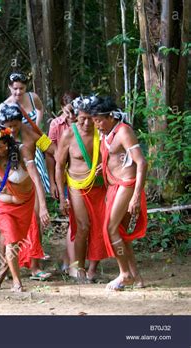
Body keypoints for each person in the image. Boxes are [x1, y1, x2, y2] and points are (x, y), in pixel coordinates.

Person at [89, 96, 148, 290]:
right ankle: (135, 276)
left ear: (111, 116)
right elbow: (117, 158)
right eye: (94, 120)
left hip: (127, 185)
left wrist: (136, 196)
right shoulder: (108, 133)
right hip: (115, 185)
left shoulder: (123, 131)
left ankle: (124, 274)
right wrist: (103, 167)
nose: (97, 125)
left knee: (111, 228)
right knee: (121, 233)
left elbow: (141, 162)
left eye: (99, 120)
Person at [0, 125, 47, 292]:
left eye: (1, 145)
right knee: (11, 241)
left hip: (24, 204)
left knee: (16, 242)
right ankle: (17, 283)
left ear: (8, 142)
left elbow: (36, 179)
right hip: (2, 205)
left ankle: (2, 273)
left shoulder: (21, 151)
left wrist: (43, 207)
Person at [55, 96, 108, 283]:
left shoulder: (103, 132)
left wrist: (106, 166)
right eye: (82, 118)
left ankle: (93, 268)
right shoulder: (69, 134)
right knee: (83, 226)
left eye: (90, 118)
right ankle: (78, 267)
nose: (86, 123)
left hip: (99, 187)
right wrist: (62, 196)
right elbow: (59, 166)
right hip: (76, 186)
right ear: (76, 116)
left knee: (100, 228)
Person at [0, 71, 57, 199]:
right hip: (18, 145)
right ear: (9, 87)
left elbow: (40, 109)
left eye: (22, 88)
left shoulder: (32, 97)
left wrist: (36, 124)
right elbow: (0, 131)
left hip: (35, 139)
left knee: (41, 171)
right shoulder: (4, 106)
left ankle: (44, 203)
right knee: (25, 176)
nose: (19, 92)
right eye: (15, 89)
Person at [49, 91, 80, 274]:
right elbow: (51, 158)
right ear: (62, 109)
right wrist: (53, 183)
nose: (72, 116)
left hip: (82, 177)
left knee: (78, 221)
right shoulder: (56, 125)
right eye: (68, 112)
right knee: (73, 220)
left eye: (75, 112)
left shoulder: (86, 123)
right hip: (64, 177)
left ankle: (70, 260)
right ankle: (71, 264)